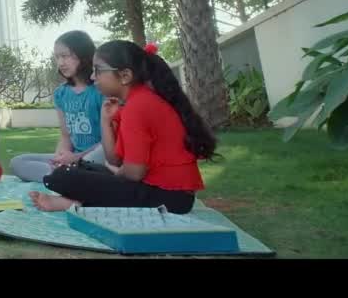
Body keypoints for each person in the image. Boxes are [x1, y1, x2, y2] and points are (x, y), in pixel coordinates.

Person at [30, 41, 217, 215]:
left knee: (62, 177)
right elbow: (115, 159)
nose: (93, 76)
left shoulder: (138, 106)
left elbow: (134, 173)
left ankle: (76, 203)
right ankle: (77, 201)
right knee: (80, 169)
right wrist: (105, 121)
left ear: (125, 76)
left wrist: (117, 174)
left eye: (98, 70)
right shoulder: (133, 103)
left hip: (170, 198)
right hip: (161, 191)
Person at [10, 31, 106, 182]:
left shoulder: (101, 90)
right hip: (73, 159)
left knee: (101, 153)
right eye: (57, 57)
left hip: (97, 156)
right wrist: (61, 158)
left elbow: (108, 142)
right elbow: (65, 135)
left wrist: (77, 157)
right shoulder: (60, 93)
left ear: (83, 55)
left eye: (65, 56)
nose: (60, 63)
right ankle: (66, 176)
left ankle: (67, 177)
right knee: (18, 162)